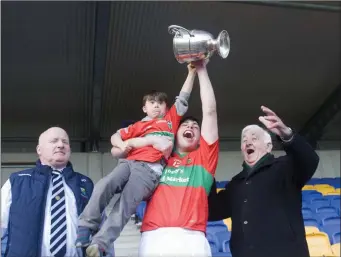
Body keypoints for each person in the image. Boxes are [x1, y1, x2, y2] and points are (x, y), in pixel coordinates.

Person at [76, 64, 197, 257]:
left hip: (149, 171)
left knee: (125, 204)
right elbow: (116, 136)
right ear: (144, 107)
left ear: (166, 107)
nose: (156, 105)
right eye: (152, 102)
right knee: (104, 184)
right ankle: (85, 227)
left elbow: (183, 96)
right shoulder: (137, 125)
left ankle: (100, 243)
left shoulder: (170, 121)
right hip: (128, 163)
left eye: (160, 102)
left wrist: (191, 72)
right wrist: (122, 146)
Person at [124, 60, 218, 257]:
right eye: (185, 125)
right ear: (174, 133)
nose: (190, 127)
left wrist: (201, 69)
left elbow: (209, 111)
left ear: (201, 139)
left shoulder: (205, 158)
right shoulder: (158, 158)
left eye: (195, 126)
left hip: (192, 238)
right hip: (154, 238)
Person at [208, 106, 320, 257]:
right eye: (244, 140)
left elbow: (310, 160)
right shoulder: (236, 184)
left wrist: (287, 134)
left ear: (268, 146)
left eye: (254, 139)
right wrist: (206, 170)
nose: (248, 143)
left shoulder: (284, 167)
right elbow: (212, 211)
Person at [1, 127, 94, 257]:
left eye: (65, 142)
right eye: (54, 141)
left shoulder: (86, 184)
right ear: (39, 149)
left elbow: (101, 231)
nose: (60, 145)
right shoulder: (16, 182)